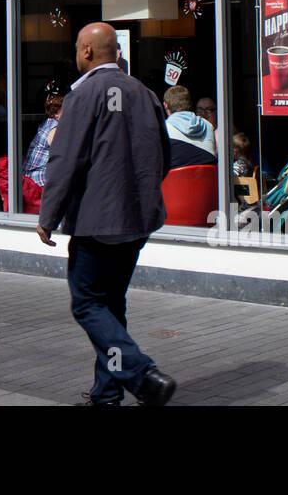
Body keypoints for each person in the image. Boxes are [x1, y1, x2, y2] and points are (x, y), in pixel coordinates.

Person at [37, 22, 177, 406]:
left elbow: (65, 161)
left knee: (88, 303)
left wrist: (48, 216)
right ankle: (106, 393)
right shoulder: (145, 94)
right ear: (114, 52)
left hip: (98, 223)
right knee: (111, 306)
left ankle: (141, 373)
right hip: (136, 222)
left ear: (85, 52)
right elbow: (165, 156)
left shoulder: (82, 96)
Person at [162, 85, 217, 169]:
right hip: (206, 181)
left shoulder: (164, 128)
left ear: (165, 105)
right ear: (190, 104)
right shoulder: (208, 126)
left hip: (175, 181)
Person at [22, 92, 63, 187]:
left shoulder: (48, 122)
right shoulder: (55, 126)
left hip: (31, 172)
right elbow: (59, 151)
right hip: (39, 175)